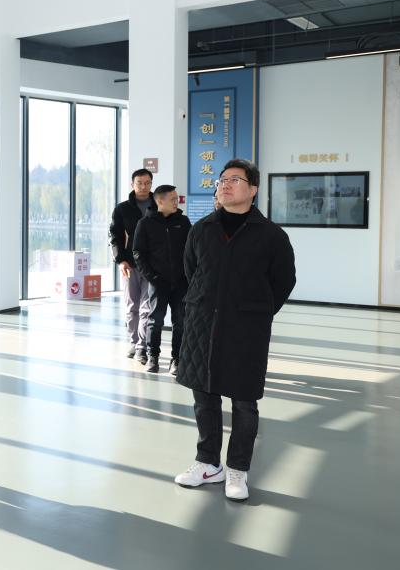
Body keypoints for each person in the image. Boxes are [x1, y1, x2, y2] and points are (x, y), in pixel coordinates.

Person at [174, 159, 296, 501]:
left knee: (244, 402)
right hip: (202, 325)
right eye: (222, 179)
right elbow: (192, 271)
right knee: (204, 397)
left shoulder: (271, 236)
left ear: (253, 189)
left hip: (246, 329)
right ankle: (207, 463)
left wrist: (257, 312)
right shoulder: (202, 229)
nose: (225, 184)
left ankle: (238, 469)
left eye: (235, 179)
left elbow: (283, 281)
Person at [132, 184, 191, 374]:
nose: (177, 202)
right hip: (158, 282)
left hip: (180, 283)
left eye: (177, 199)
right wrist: (153, 277)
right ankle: (153, 357)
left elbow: (191, 251)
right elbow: (138, 254)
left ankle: (177, 359)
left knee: (180, 321)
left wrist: (188, 275)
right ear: (159, 201)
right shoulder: (145, 224)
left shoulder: (183, 222)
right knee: (155, 320)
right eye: (173, 199)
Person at [109, 168, 155, 362]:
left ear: (151, 184)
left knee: (147, 307)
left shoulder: (158, 205)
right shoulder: (122, 209)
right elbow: (114, 236)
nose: (143, 187)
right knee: (132, 306)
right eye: (139, 183)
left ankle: (142, 347)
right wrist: (120, 260)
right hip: (130, 264)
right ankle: (133, 341)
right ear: (132, 184)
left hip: (152, 266)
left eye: (147, 183)